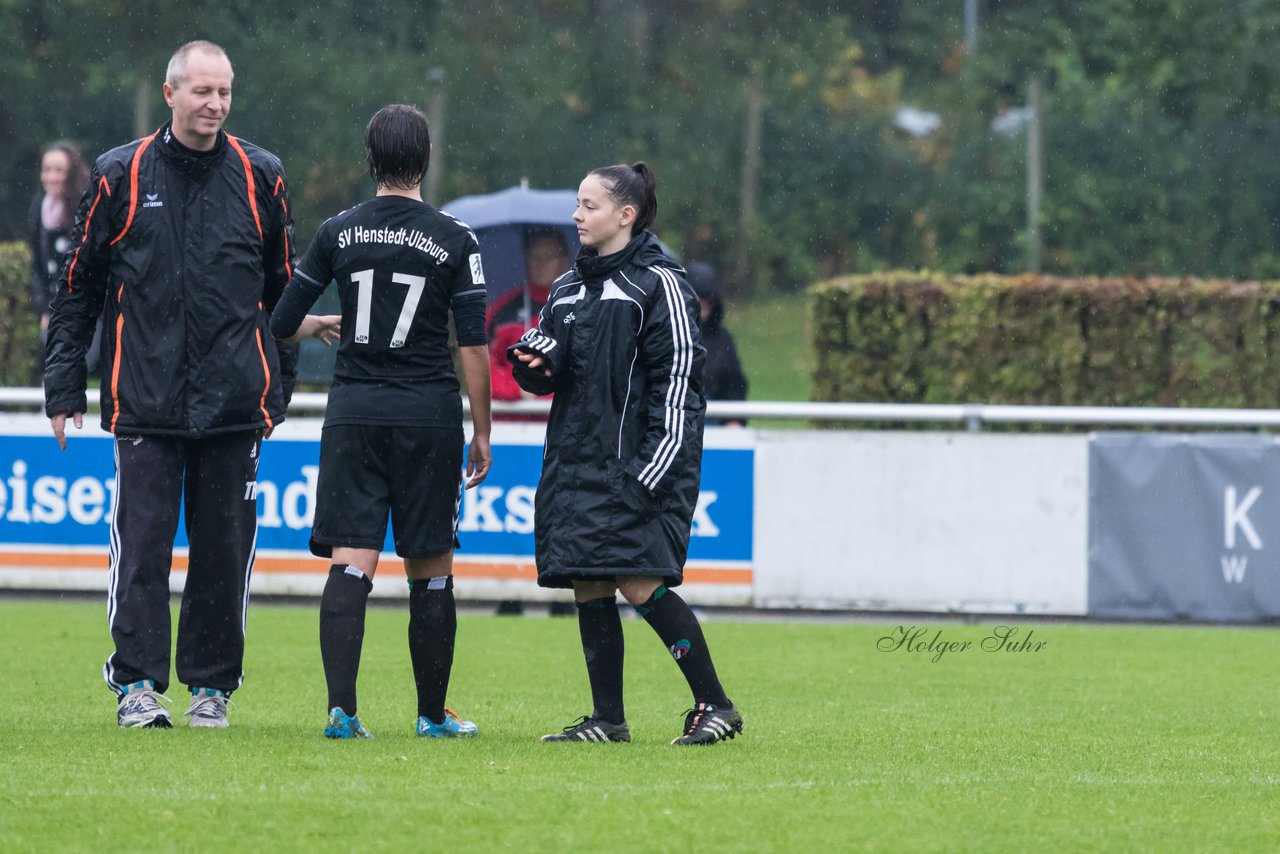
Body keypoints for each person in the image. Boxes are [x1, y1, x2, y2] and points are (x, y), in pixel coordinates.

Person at [44, 40, 301, 729]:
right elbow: (78, 289)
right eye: (201, 92)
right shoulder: (119, 173)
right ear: (170, 94)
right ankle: (136, 685)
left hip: (235, 407)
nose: (214, 105)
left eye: (223, 93)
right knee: (143, 556)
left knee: (222, 558)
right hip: (145, 403)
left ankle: (212, 689)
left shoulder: (262, 175)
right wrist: (63, 387)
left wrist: (277, 393)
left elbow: (285, 295)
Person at [270, 104, 492, 740]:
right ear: (425, 158)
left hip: (354, 415)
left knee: (351, 561)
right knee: (431, 564)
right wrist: (482, 430)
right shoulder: (455, 238)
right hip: (427, 417)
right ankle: (430, 716)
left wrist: (318, 325)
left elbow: (282, 321)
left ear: (370, 159)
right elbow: (472, 347)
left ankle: (342, 711)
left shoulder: (339, 230)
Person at [509, 162, 744, 746]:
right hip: (576, 463)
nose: (576, 216)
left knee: (640, 583)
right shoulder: (567, 287)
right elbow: (553, 368)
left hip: (640, 464)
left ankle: (716, 704)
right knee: (588, 582)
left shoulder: (660, 283)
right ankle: (608, 720)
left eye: (588, 205)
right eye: (578, 204)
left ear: (626, 215)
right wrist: (534, 366)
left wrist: (652, 468)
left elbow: (682, 383)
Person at [487, 228, 569, 416]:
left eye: (549, 256)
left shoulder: (580, 306)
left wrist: (543, 391)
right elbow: (484, 368)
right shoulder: (502, 310)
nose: (541, 263)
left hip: (563, 422)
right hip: (510, 427)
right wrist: (518, 388)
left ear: (565, 260)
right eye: (534, 256)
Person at [28, 141, 91, 370]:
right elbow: (38, 266)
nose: (51, 177)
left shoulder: (85, 208)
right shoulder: (38, 208)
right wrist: (45, 308)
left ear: (71, 174)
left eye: (59, 170)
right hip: (53, 307)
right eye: (46, 170)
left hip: (86, 308)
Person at [684, 262, 749, 427]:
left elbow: (733, 385)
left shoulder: (722, 340)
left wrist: (733, 420)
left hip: (711, 420)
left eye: (707, 303)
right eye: (698, 302)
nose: (703, 309)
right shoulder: (666, 335)